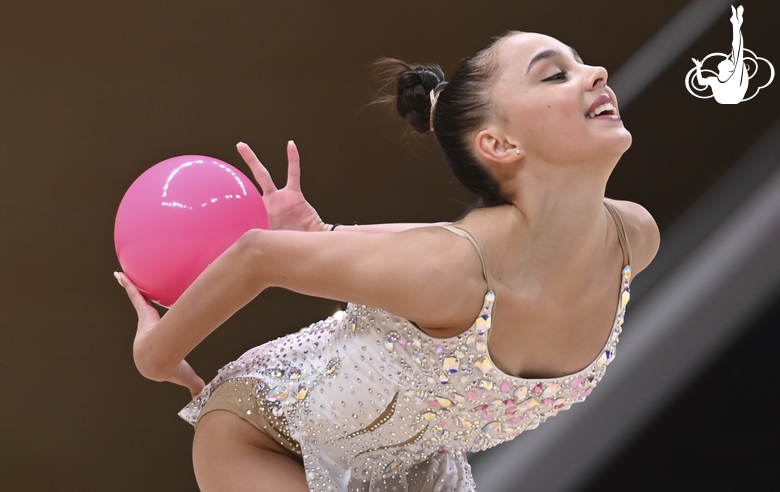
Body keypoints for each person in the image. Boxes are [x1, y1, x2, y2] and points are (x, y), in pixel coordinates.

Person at [116, 30, 660, 492]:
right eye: (555, 75)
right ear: (498, 144)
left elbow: (462, 245)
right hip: (261, 437)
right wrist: (156, 357)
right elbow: (257, 254)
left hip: (415, 468)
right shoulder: (448, 271)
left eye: (580, 64)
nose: (597, 73)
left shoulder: (634, 237)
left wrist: (326, 235)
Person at [692, 5, 748, 104]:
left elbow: (737, 48)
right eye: (728, 61)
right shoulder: (715, 80)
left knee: (737, 51)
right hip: (729, 97)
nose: (725, 59)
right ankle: (736, 23)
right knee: (737, 51)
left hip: (733, 96)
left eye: (727, 62)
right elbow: (701, 82)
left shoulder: (734, 78)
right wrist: (698, 67)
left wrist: (736, 25)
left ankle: (736, 23)